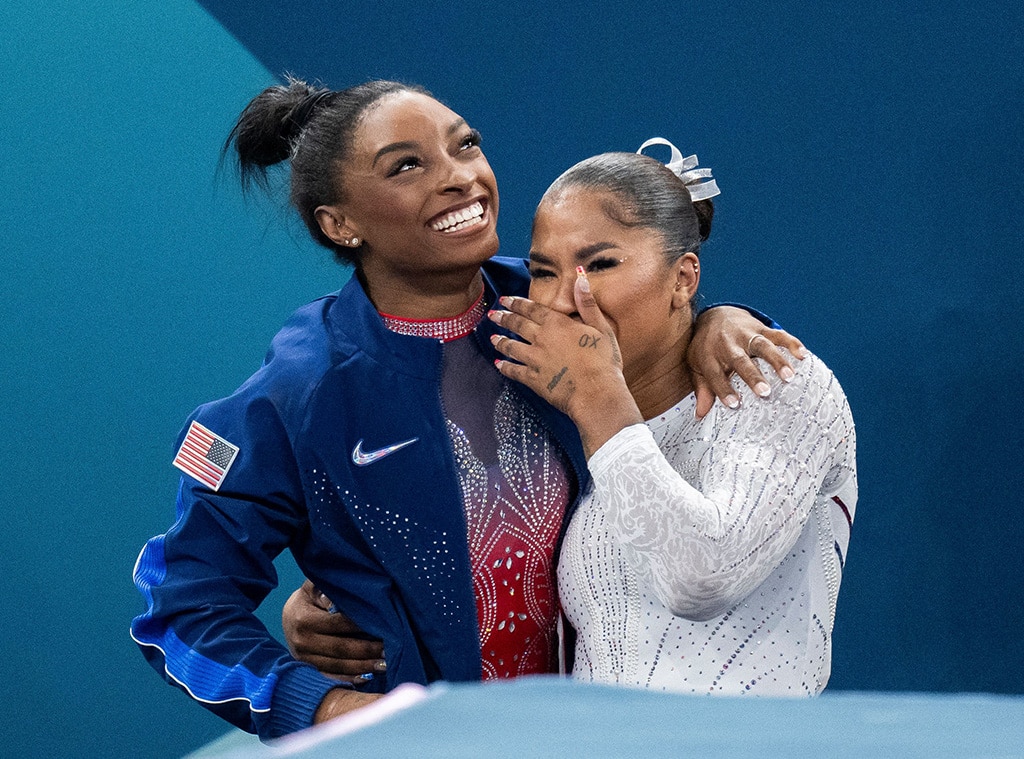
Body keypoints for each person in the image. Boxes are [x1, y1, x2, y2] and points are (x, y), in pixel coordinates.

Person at [131, 77, 803, 741]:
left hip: (606, 735)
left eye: (466, 145)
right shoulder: (300, 391)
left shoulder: (556, 302)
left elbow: (666, 336)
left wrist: (720, 321)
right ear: (340, 223)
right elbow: (183, 609)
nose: (460, 178)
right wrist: (328, 706)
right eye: (406, 166)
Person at [486, 141, 857, 694]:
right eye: (543, 272)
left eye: (602, 264)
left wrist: (597, 397)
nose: (565, 300)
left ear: (684, 278)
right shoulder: (576, 428)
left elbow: (702, 578)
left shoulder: (772, 382)